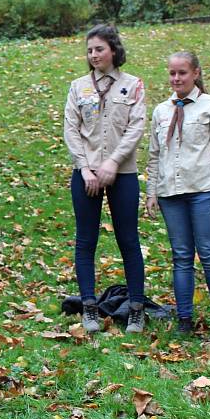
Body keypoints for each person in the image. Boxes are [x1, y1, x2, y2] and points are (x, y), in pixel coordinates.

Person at [63, 24, 147, 334]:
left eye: (99, 49)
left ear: (113, 50)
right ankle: (88, 307)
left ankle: (136, 308)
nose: (94, 54)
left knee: (128, 240)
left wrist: (112, 163)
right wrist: (85, 167)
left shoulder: (133, 85)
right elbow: (71, 130)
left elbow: (135, 129)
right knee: (86, 241)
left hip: (122, 173)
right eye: (89, 50)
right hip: (86, 175)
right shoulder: (78, 87)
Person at [145, 51, 210, 344]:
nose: (176, 78)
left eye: (182, 72)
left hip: (203, 191)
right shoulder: (161, 111)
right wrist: (152, 191)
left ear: (195, 73)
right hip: (171, 193)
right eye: (172, 73)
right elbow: (154, 154)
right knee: (181, 256)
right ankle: (184, 319)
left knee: (209, 255)